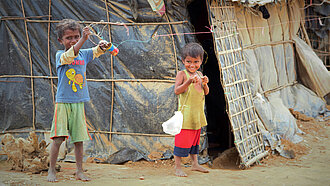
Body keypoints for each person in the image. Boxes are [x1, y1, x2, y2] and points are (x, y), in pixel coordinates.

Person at [47, 19, 110, 182]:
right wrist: (83, 39)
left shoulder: (84, 53)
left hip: (78, 101)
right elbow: (71, 55)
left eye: (76, 37)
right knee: (58, 138)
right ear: (60, 40)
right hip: (63, 102)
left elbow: (96, 51)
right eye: (69, 38)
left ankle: (79, 171)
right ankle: (51, 170)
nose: (73, 40)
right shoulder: (60, 55)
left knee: (78, 139)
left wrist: (103, 46)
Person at [173, 42, 210, 177]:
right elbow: (177, 91)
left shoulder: (199, 74)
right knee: (181, 142)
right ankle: (177, 167)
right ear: (183, 61)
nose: (192, 65)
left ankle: (195, 164)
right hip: (185, 116)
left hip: (197, 115)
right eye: (188, 61)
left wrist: (205, 83)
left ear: (201, 61)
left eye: (196, 61)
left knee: (194, 142)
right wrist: (188, 82)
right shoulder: (182, 74)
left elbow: (205, 93)